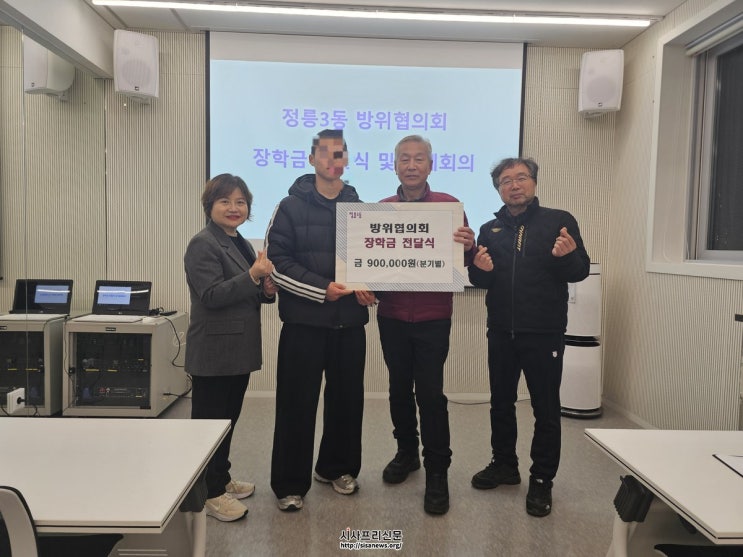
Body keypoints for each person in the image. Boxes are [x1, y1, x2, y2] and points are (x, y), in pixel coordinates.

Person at [468, 157, 590, 517]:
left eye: (521, 177)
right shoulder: (489, 229)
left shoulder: (559, 221)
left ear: (534, 183)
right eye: (506, 180)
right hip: (500, 331)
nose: (514, 185)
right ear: (498, 189)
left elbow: (580, 270)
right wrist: (479, 270)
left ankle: (541, 479)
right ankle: (505, 465)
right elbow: (481, 280)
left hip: (544, 332)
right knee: (500, 403)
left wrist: (567, 257)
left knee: (545, 409)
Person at [266, 129, 375, 512]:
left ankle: (336, 468)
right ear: (312, 159)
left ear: (346, 160)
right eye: (325, 153)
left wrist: (371, 288)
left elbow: (376, 260)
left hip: (350, 325)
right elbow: (276, 262)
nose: (332, 159)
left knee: (347, 402)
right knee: (296, 404)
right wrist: (321, 289)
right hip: (304, 324)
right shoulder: (289, 206)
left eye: (339, 153)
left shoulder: (362, 208)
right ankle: (289, 484)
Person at [376, 135, 476, 515]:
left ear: (430, 165)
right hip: (392, 315)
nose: (412, 165)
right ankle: (407, 453)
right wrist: (360, 282)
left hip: (434, 316)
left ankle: (437, 471)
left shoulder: (449, 207)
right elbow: (371, 260)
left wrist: (469, 246)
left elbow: (466, 261)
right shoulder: (380, 210)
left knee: (431, 395)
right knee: (398, 389)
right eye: (404, 159)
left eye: (419, 158)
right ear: (395, 166)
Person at [184, 173, 277, 522]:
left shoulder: (238, 242)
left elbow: (245, 290)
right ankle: (208, 494)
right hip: (213, 351)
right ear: (210, 205)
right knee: (208, 426)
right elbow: (211, 295)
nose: (233, 208)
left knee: (227, 420)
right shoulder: (203, 243)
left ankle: (220, 478)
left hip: (237, 348)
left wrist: (265, 290)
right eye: (225, 201)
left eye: (240, 202)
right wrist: (252, 276)